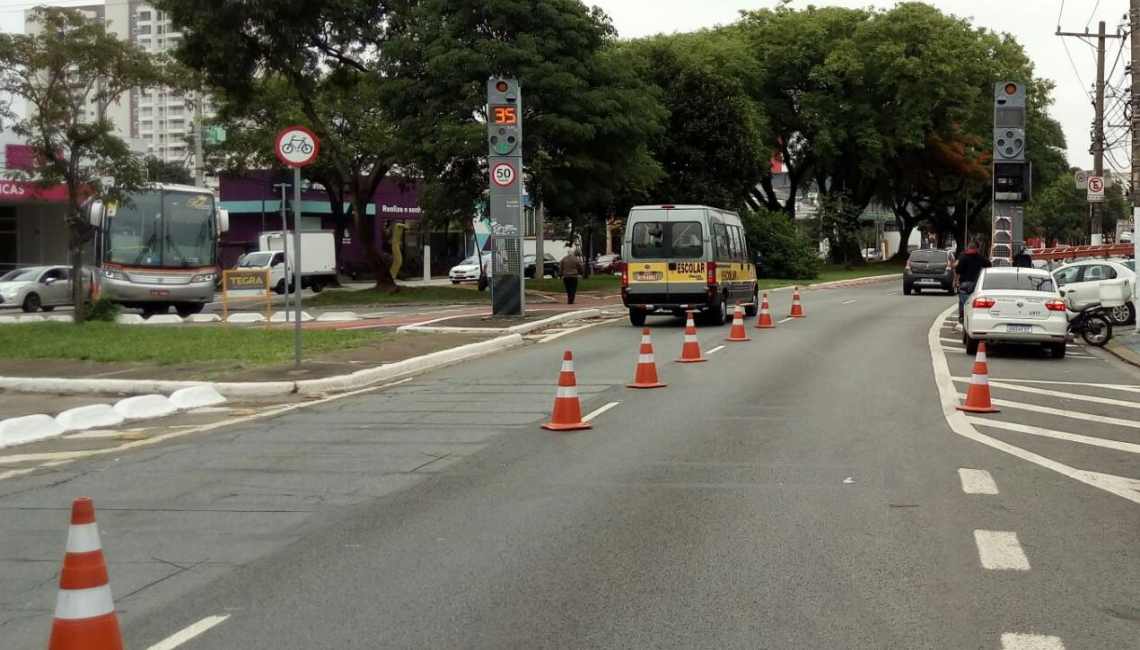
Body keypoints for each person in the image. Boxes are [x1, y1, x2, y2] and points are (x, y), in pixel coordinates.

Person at [954, 240, 991, 324]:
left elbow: (958, 270)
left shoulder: (963, 257)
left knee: (963, 302)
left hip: (964, 282)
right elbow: (989, 264)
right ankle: (971, 317)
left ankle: (962, 317)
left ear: (968, 248)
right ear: (976, 249)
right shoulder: (980, 257)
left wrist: (955, 281)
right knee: (973, 302)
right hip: (976, 284)